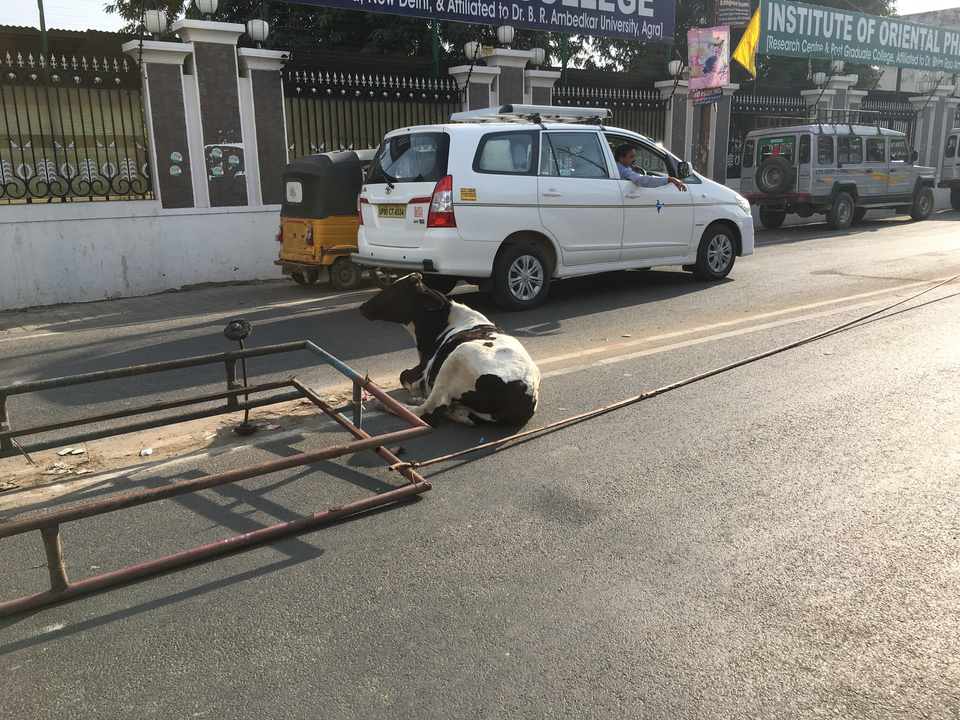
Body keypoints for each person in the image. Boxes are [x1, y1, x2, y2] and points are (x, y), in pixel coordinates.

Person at [614, 144, 687, 192]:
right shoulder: (621, 170)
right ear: (621, 159)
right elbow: (641, 180)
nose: (635, 159)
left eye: (635, 156)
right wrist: (670, 179)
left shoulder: (621, 168)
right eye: (631, 157)